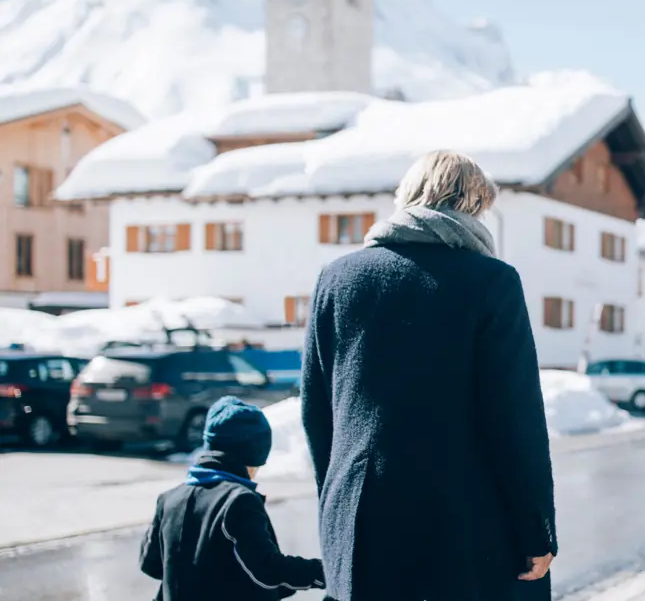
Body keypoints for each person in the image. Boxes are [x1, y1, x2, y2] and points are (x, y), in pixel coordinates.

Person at [301, 150, 557, 601]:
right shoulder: (491, 281)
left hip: (358, 514)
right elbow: (515, 417)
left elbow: (317, 410)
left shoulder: (336, 278)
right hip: (464, 521)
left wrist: (335, 507)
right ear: (475, 205)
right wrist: (535, 528)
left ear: (406, 197)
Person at [139, 397, 325, 601]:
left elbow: (151, 564)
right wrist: (325, 571)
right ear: (253, 455)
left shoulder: (169, 499)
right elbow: (268, 570)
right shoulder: (239, 501)